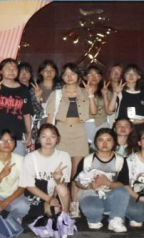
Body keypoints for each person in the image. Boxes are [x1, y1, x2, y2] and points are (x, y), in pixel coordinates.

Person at [46, 63, 94, 217]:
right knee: (60, 170)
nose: (69, 76)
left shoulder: (85, 92)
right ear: (62, 77)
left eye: (72, 73)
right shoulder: (57, 94)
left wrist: (91, 94)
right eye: (66, 74)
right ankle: (57, 203)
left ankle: (74, 204)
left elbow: (93, 112)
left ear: (78, 76)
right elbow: (50, 116)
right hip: (61, 131)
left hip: (79, 131)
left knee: (76, 171)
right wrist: (49, 136)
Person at [74, 128, 130, 233]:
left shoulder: (120, 160)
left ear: (114, 142)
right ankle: (94, 217)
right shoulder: (87, 160)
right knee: (94, 220)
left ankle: (115, 219)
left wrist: (108, 183)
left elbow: (123, 183)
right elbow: (77, 182)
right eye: (101, 140)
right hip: (90, 193)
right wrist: (90, 186)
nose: (104, 143)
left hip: (110, 194)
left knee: (122, 191)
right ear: (96, 142)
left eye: (108, 140)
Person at [0, 59, 34, 156]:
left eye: (14, 68)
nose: (11, 70)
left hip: (17, 136)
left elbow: (26, 114)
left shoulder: (23, 90)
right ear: (1, 71)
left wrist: (29, 133)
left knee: (17, 164)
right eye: (8, 68)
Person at [19, 123, 72, 220]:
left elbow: (63, 185)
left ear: (57, 139)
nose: (48, 140)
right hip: (36, 195)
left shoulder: (64, 156)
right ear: (38, 139)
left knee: (61, 188)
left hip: (54, 194)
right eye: (44, 136)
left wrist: (57, 180)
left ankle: (65, 219)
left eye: (52, 136)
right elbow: (29, 186)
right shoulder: (30, 158)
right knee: (50, 211)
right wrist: (49, 199)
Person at [0, 129, 31, 225]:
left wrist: (5, 202)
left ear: (15, 144)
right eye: (2, 140)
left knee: (24, 206)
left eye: (10, 140)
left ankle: (9, 220)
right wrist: (1, 175)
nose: (6, 143)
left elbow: (22, 188)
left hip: (13, 197)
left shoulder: (21, 160)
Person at [108, 64, 144, 133]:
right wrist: (115, 93)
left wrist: (142, 120)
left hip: (141, 128)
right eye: (128, 73)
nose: (131, 76)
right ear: (124, 76)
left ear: (139, 76)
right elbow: (110, 109)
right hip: (123, 128)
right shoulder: (120, 92)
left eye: (134, 73)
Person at [83, 66, 114, 144]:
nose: (94, 77)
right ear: (85, 77)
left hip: (102, 124)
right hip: (85, 125)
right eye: (90, 74)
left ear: (100, 77)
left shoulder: (106, 91)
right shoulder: (80, 92)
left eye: (97, 74)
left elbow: (109, 111)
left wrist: (105, 94)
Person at [18, 61, 46, 140]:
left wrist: (38, 97)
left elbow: (39, 113)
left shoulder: (35, 89)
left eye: (27, 72)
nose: (24, 75)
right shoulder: (13, 89)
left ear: (30, 74)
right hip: (17, 126)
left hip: (33, 127)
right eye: (21, 72)